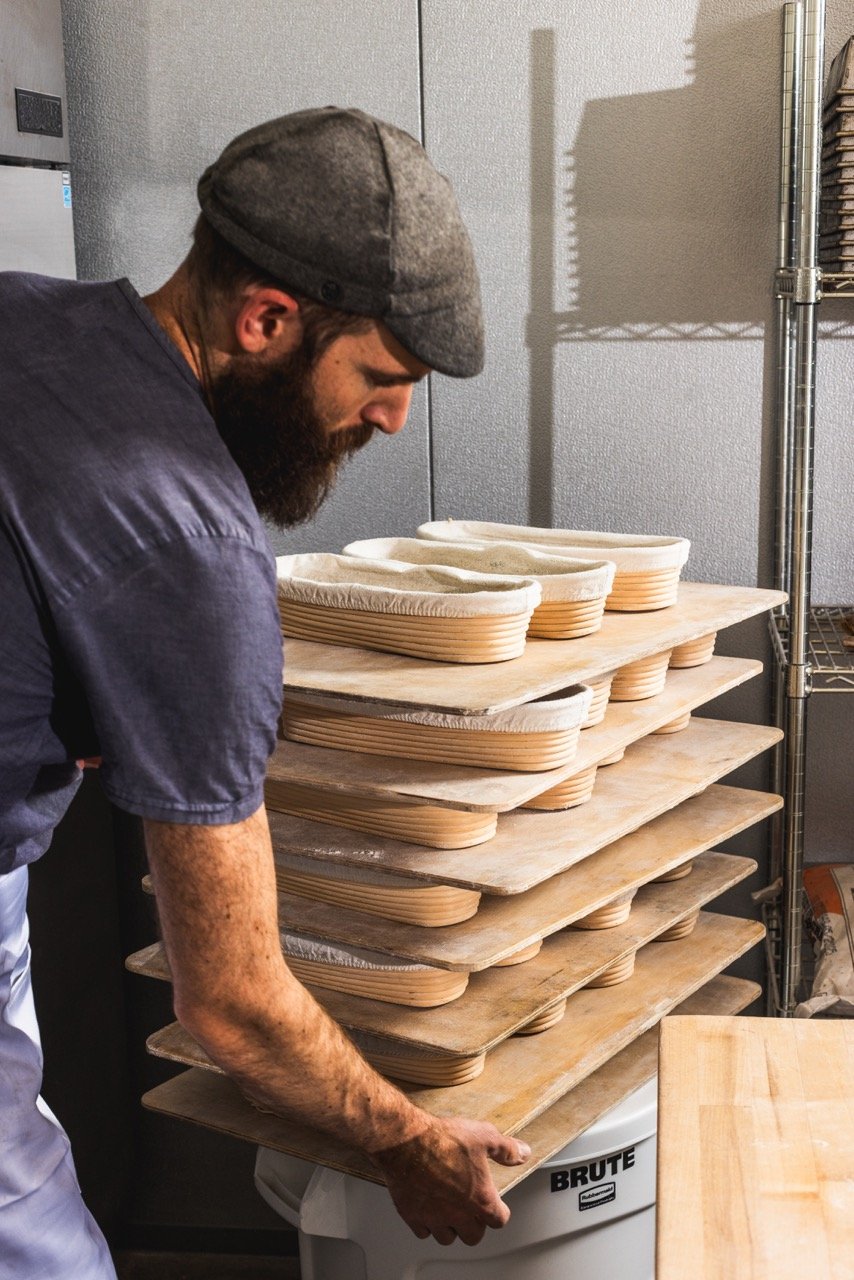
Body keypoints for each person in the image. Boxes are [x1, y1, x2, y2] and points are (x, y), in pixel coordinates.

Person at [0, 106, 529, 1279]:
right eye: (381, 375)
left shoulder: (31, 311)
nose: (391, 416)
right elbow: (231, 1001)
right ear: (266, 318)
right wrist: (405, 1142)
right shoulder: (188, 546)